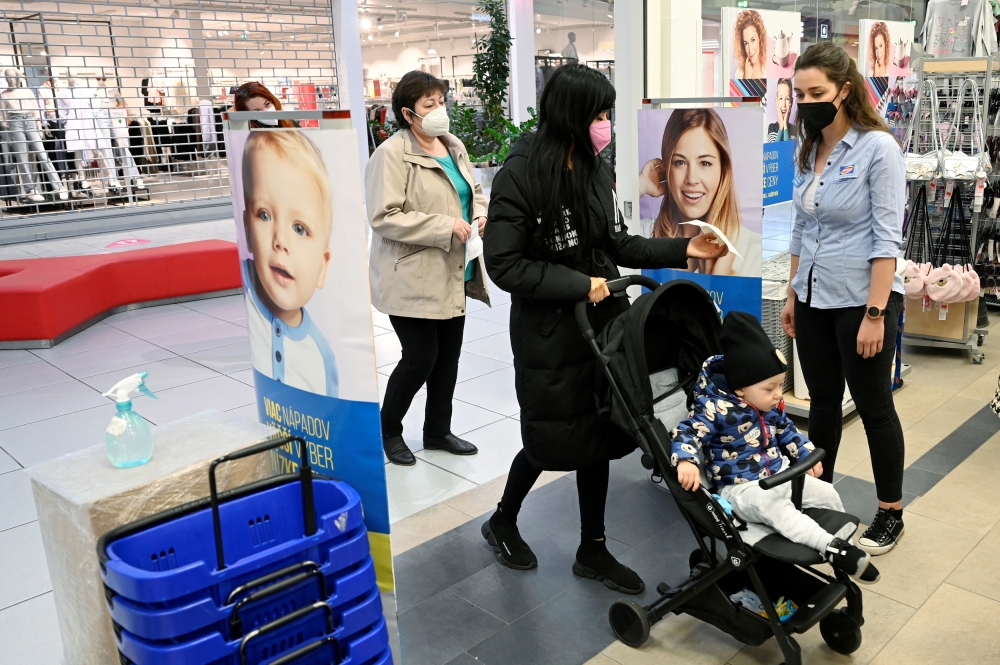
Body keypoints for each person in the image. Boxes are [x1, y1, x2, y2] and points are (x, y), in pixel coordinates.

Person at [481, 64, 729, 593]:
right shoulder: (520, 173)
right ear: (571, 115)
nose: (605, 125)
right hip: (549, 332)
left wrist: (683, 247)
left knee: (597, 428)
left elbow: (619, 244)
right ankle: (503, 518)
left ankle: (592, 548)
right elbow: (504, 265)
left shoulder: (594, 166)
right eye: (597, 114)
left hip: (601, 325)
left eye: (606, 114)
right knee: (551, 437)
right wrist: (577, 282)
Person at [781, 42, 907, 555]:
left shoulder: (879, 149)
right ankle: (821, 495)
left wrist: (876, 314)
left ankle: (891, 512)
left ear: (845, 91)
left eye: (817, 93)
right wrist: (791, 295)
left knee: (875, 407)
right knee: (822, 405)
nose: (806, 102)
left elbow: (886, 240)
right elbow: (799, 228)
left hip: (862, 300)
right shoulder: (807, 149)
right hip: (812, 296)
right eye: (799, 93)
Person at [672, 312, 880, 584]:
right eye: (770, 388)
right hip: (742, 489)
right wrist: (685, 460)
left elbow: (787, 430)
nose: (779, 394)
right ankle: (830, 547)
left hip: (779, 474)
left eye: (780, 385)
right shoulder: (714, 410)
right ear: (741, 389)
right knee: (776, 507)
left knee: (825, 491)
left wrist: (804, 452)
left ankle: (840, 544)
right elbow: (686, 431)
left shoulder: (768, 406)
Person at [366, 70, 490, 466]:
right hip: (411, 276)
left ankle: (437, 431)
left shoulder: (453, 146)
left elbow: (475, 192)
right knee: (420, 356)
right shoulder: (391, 154)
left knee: (448, 357)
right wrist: (444, 225)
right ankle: (388, 429)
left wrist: (481, 216)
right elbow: (383, 216)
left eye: (441, 101)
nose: (439, 111)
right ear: (408, 113)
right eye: (428, 105)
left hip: (455, 268)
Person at [241, 130, 339, 396]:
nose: (280, 240)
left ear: (323, 265)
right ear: (247, 231)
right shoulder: (247, 295)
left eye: (299, 228)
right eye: (264, 215)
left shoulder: (321, 358)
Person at [637, 108, 762, 276]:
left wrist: (718, 284)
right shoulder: (642, 235)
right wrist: (640, 186)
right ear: (667, 168)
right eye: (680, 162)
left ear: (723, 170)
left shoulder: (754, 252)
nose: (692, 179)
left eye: (704, 163)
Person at [734, 10, 768, 79]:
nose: (750, 50)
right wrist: (746, 77)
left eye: (753, 40)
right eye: (746, 43)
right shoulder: (739, 73)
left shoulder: (768, 70)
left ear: (760, 37)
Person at [768, 78, 797, 142]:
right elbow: (774, 150)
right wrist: (781, 127)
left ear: (791, 102)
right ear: (776, 102)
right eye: (781, 98)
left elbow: (788, 151)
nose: (784, 104)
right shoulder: (772, 128)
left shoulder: (795, 130)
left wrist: (785, 126)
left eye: (787, 99)